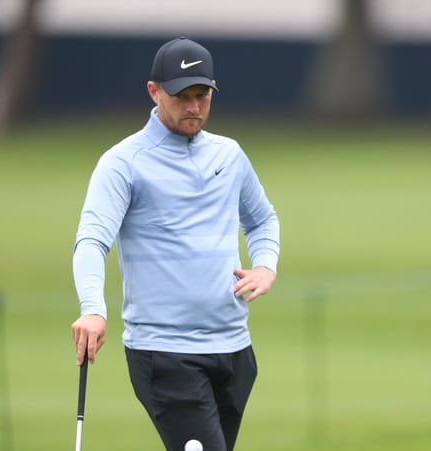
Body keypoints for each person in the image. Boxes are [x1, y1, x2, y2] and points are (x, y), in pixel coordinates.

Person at [70, 36, 280, 451]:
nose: (194, 107)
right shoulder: (123, 163)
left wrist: (265, 265)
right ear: (154, 92)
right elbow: (92, 240)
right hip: (165, 354)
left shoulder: (229, 155)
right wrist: (92, 309)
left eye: (202, 95)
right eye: (182, 96)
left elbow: (261, 219)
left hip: (234, 350)